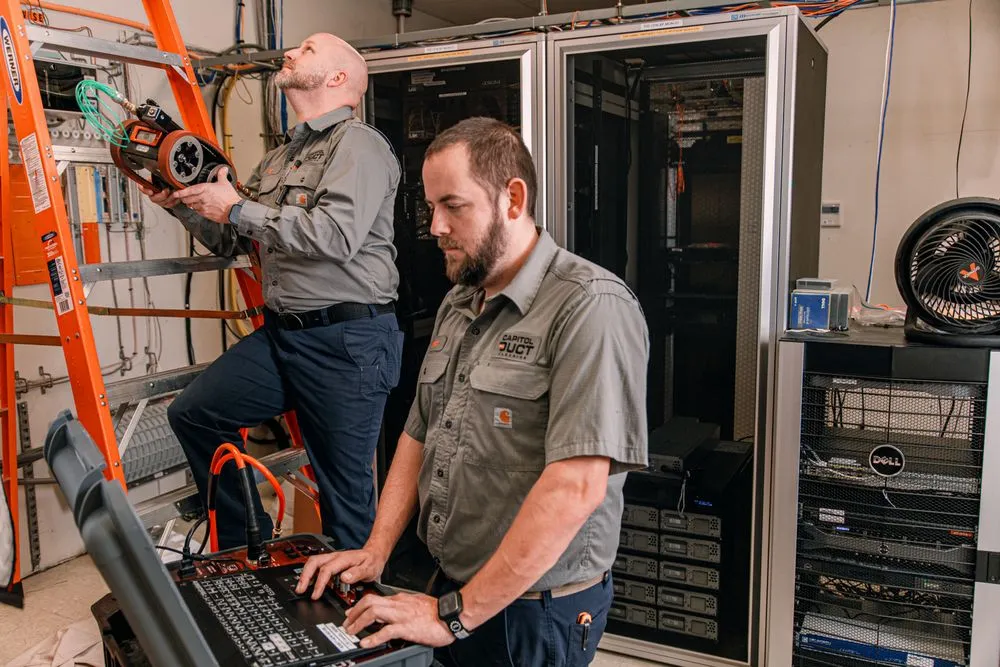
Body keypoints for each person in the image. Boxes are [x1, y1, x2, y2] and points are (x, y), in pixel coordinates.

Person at [295, 117, 650, 666]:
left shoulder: (590, 307)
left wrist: (453, 615)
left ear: (512, 198)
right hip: (452, 585)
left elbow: (576, 487)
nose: (434, 226)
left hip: (534, 610)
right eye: (430, 206)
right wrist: (376, 549)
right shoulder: (460, 302)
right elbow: (419, 430)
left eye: (453, 206)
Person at [142, 33, 404, 551]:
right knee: (195, 413)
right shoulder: (281, 158)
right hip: (284, 336)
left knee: (345, 497)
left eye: (307, 49)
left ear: (338, 80)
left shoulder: (360, 145)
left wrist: (236, 205)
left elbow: (335, 235)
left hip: (347, 341)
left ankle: (358, 618)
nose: (290, 52)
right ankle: (245, 553)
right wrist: (182, 202)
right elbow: (232, 237)